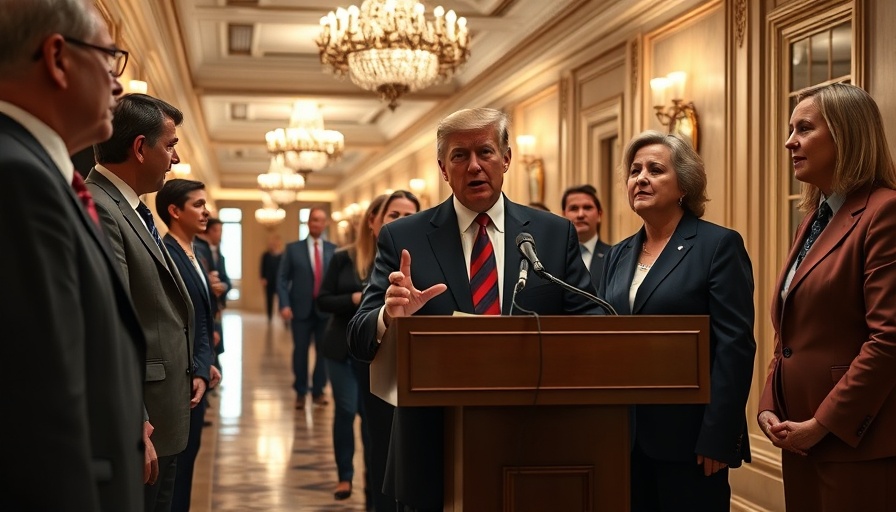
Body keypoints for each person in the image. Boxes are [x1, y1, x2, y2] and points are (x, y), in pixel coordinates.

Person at [347, 108, 601, 511]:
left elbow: (591, 321)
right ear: (443, 169)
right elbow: (359, 337)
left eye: (485, 152)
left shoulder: (553, 233)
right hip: (431, 442)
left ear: (507, 159)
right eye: (459, 156)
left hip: (530, 434)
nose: (474, 166)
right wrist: (390, 317)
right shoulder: (404, 237)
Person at [0, 1, 146, 509]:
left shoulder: (40, 172)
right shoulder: (17, 178)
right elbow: (38, 404)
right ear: (58, 58)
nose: (119, 84)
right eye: (110, 59)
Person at [597, 131, 755, 511]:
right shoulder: (617, 255)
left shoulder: (717, 245)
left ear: (684, 183)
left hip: (692, 441)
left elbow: (735, 347)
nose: (641, 179)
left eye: (655, 170)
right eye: (634, 171)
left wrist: (718, 435)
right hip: (626, 438)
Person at [757, 83, 896, 511]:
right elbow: (791, 333)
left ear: (845, 135)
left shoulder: (884, 211)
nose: (789, 141)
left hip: (854, 438)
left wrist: (822, 423)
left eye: (803, 128)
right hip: (797, 433)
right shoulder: (815, 219)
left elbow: (888, 339)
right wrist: (769, 404)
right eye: (790, 129)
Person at [88, 93, 196, 512]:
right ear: (139, 148)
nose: (175, 159)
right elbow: (109, 322)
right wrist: (134, 420)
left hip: (162, 414)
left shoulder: (132, 208)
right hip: (143, 419)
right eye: (169, 145)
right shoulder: (100, 205)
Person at [319, 191, 421, 510]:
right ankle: (350, 477)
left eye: (410, 216)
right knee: (354, 415)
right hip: (350, 350)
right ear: (374, 222)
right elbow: (323, 300)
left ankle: (375, 490)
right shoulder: (347, 257)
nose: (402, 223)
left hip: (402, 359)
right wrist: (356, 301)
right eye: (394, 216)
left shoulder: (422, 261)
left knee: (389, 432)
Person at [155, 178, 219, 512]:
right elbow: (173, 323)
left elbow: (203, 320)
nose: (206, 211)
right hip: (180, 380)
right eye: (197, 204)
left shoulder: (195, 252)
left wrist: (205, 362)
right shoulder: (168, 254)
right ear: (174, 211)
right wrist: (196, 364)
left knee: (187, 463)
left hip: (195, 374)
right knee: (174, 474)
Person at [278, 207, 337, 409]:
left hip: (326, 311)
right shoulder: (293, 249)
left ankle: (318, 391)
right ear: (308, 223)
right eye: (313, 220)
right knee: (300, 351)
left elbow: (337, 281)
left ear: (325, 223)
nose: (317, 224)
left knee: (324, 352)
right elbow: (282, 278)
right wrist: (284, 304)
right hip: (300, 309)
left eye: (321, 220)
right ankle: (301, 392)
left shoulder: (333, 249)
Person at [562, 184, 611, 290]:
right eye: (574, 208)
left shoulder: (614, 256)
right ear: (563, 215)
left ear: (599, 215)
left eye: (587, 208)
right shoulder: (554, 257)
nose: (580, 214)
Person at [260, 234, 284, 322]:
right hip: (269, 281)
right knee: (269, 299)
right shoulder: (266, 255)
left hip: (279, 281)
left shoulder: (283, 255)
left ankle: (283, 315)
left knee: (282, 298)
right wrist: (263, 278)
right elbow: (262, 267)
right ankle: (269, 317)